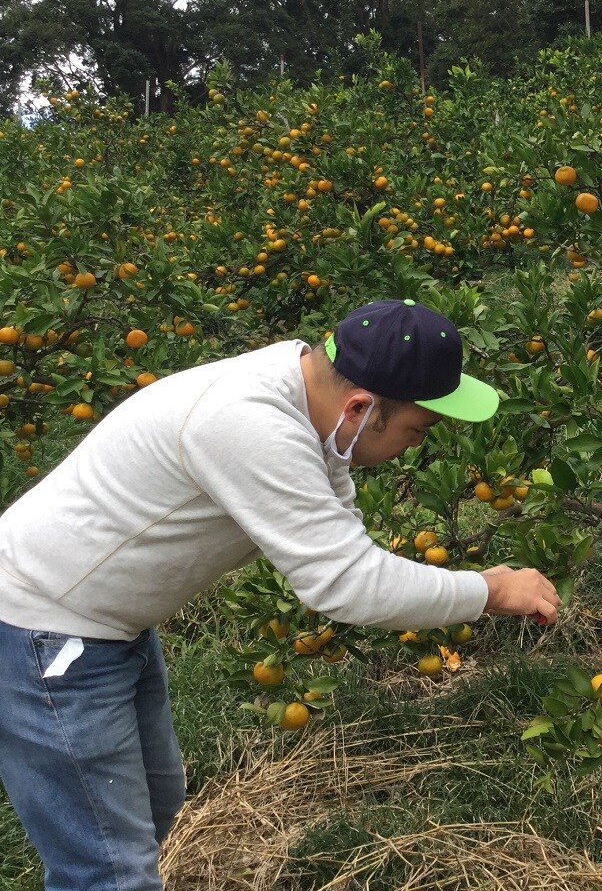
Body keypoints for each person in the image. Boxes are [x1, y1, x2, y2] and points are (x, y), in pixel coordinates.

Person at [0, 297, 560, 890]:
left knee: (155, 802)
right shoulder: (250, 422)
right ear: (361, 408)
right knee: (107, 869)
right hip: (44, 632)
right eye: (416, 431)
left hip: (107, 625)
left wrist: (466, 587)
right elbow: (345, 583)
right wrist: (490, 591)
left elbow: (342, 542)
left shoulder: (307, 397)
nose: (414, 447)